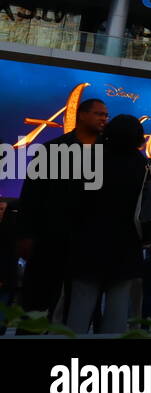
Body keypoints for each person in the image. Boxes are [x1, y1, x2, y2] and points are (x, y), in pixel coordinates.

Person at [15, 96, 109, 320]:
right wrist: (26, 235)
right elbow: (31, 196)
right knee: (37, 301)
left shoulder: (111, 153)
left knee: (83, 306)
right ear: (81, 114)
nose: (104, 119)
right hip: (51, 239)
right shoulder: (53, 149)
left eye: (106, 115)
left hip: (90, 242)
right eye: (98, 113)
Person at [64, 114, 151, 334]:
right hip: (126, 246)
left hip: (86, 244)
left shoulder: (89, 159)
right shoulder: (147, 166)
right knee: (117, 310)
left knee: (80, 307)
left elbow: (70, 201)